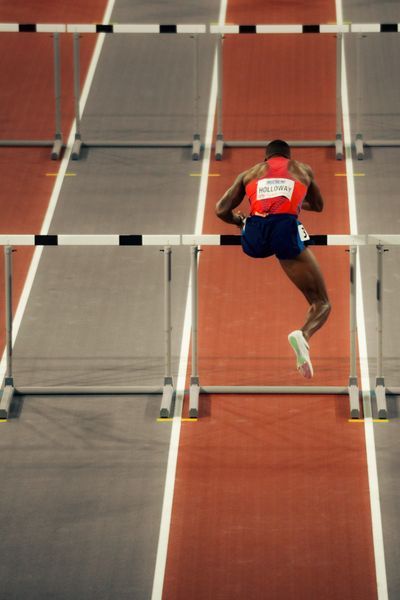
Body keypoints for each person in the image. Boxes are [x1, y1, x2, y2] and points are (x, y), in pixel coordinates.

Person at [215, 139, 331, 378]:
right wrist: (294, 202)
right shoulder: (301, 169)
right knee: (321, 302)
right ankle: (303, 335)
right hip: (284, 230)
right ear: (288, 156)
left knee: (253, 221)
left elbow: (220, 210)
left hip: (254, 237)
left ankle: (249, 225)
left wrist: (238, 221)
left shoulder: (249, 173)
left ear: (266, 158)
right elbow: (319, 205)